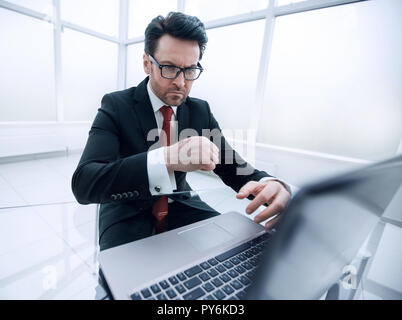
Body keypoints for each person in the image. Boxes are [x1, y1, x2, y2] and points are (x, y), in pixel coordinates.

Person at [71, 12, 291, 254]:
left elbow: (233, 167)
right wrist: (167, 158)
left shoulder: (200, 111)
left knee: (246, 254)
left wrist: (269, 184)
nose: (181, 82)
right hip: (125, 210)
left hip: (182, 203)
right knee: (120, 287)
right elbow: (85, 183)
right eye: (169, 68)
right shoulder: (116, 105)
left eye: (189, 70)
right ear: (147, 63)